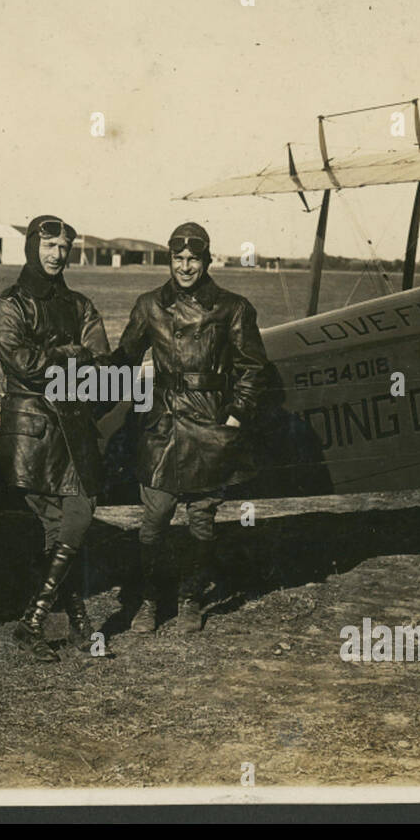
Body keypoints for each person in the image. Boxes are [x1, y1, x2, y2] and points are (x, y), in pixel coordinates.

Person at [110, 221, 271, 633]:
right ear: (169, 259)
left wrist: (235, 416)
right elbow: (124, 359)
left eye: (193, 259)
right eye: (178, 259)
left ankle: (191, 598)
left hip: (209, 421)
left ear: (206, 260)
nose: (185, 267)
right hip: (162, 420)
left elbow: (253, 368)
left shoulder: (232, 307)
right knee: (155, 515)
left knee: (201, 517)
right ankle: (147, 600)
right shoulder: (149, 305)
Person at [0, 215, 111, 662]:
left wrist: (66, 362)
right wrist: (68, 353)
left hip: (75, 430)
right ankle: (76, 624)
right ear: (31, 247)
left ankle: (35, 621)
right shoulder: (10, 304)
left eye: (64, 248)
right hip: (33, 433)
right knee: (56, 531)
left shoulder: (81, 304)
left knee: (75, 520)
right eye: (49, 246)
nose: (57, 255)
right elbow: (22, 363)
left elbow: (103, 364)